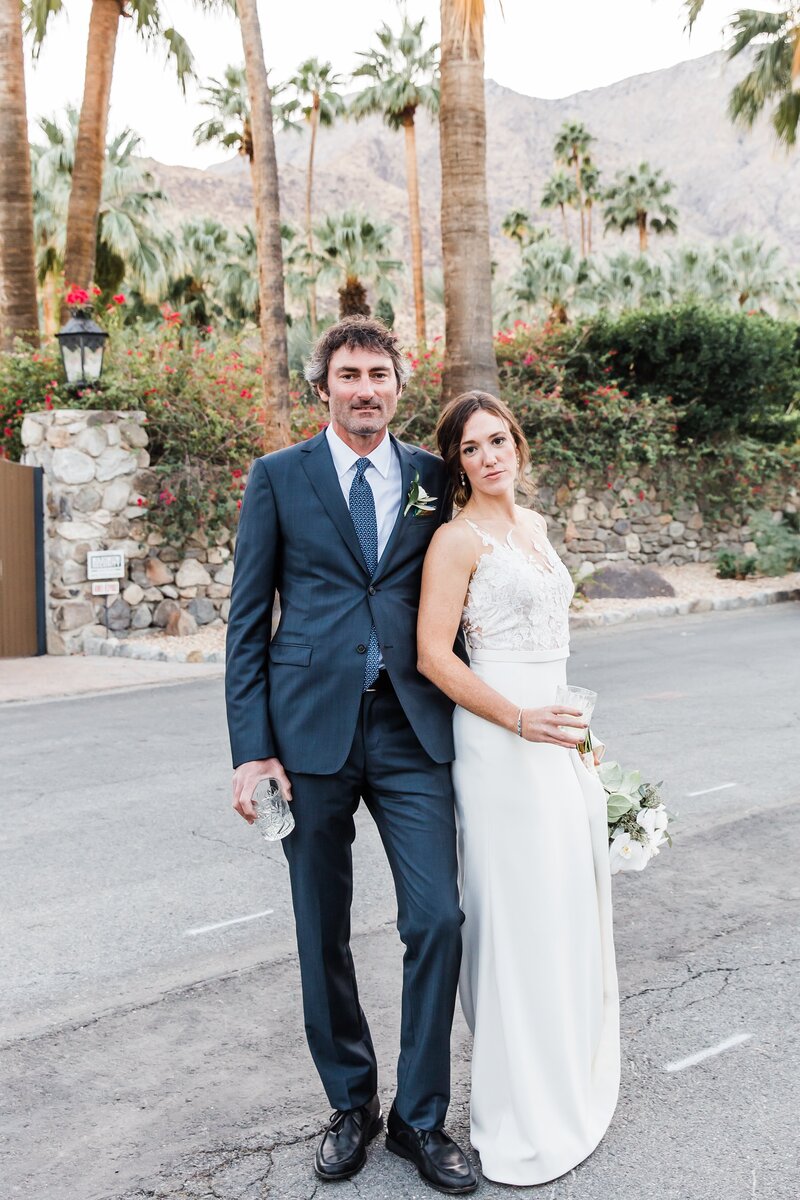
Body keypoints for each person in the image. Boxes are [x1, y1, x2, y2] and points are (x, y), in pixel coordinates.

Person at [224, 316, 478, 1196]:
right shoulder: (279, 478)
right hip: (310, 737)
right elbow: (246, 624)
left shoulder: (430, 480)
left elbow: (464, 593)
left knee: (437, 918)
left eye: (379, 373)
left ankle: (419, 1119)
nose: (365, 388)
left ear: (398, 386)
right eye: (349, 374)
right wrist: (252, 752)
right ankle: (351, 1103)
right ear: (322, 387)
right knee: (319, 927)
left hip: (413, 729)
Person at [417, 391, 620, 1186]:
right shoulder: (455, 541)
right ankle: (518, 1109)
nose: (490, 456)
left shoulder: (533, 528)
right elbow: (436, 656)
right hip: (500, 742)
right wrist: (520, 721)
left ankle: (566, 1082)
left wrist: (580, 737)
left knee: (563, 906)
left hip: (558, 734)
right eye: (472, 449)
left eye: (499, 440)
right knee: (514, 915)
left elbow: (552, 648)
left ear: (518, 445)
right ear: (458, 465)